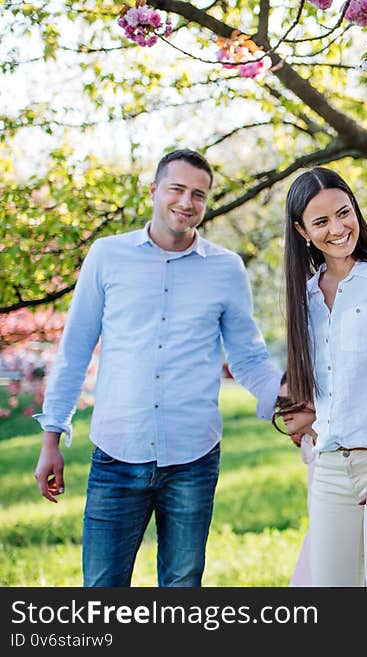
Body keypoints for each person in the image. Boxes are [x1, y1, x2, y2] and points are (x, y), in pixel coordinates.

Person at [33, 149, 283, 587]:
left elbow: (247, 357)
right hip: (116, 452)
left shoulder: (226, 269)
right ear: (154, 191)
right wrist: (52, 437)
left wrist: (285, 402)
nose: (187, 202)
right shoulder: (107, 256)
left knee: (182, 587)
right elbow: (74, 350)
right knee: (101, 588)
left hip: (193, 457)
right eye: (177, 189)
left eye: (199, 195)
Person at [282, 166, 367, 586]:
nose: (339, 228)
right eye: (321, 221)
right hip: (328, 465)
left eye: (344, 213)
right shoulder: (304, 293)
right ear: (302, 230)